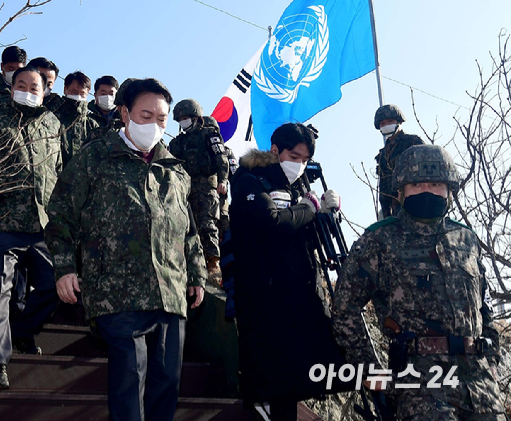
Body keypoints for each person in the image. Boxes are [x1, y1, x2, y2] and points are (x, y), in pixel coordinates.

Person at [45, 78, 207, 421]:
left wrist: (197, 275)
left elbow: (189, 230)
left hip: (170, 293)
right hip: (116, 292)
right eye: (145, 115)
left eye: (161, 119)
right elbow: (60, 215)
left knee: (166, 386)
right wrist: (64, 268)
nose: (154, 125)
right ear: (124, 113)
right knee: (129, 385)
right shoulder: (94, 158)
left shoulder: (175, 170)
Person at [332, 144, 505, 420]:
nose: (426, 191)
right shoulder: (380, 239)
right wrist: (370, 370)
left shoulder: (466, 239)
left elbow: (482, 305)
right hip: (421, 387)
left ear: (449, 189)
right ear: (401, 191)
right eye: (416, 184)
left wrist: (492, 356)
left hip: (481, 387)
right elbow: (344, 308)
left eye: (435, 183)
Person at [229, 123, 346, 420]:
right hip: (264, 297)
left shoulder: (300, 187)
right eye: (293, 156)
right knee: (271, 380)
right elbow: (271, 222)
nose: (299, 165)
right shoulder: (250, 180)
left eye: (305, 159)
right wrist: (309, 208)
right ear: (275, 150)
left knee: (295, 383)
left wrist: (327, 216)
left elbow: (311, 238)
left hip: (301, 294)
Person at [0, 66, 63, 390]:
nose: (26, 89)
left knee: (56, 285)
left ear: (45, 91)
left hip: (42, 226)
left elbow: (59, 172)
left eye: (33, 86)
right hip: (1, 221)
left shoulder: (52, 123)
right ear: (10, 87)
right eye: (20, 84)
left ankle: (22, 330)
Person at [169, 99, 229, 285]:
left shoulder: (209, 135)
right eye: (180, 119)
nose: (183, 121)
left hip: (206, 187)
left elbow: (221, 158)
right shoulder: (178, 142)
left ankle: (213, 264)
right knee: (187, 227)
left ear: (196, 117)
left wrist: (223, 180)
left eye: (186, 118)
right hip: (184, 189)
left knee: (207, 224)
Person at [374, 104, 424, 219]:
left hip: (415, 204)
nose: (386, 125)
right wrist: (386, 216)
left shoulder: (413, 142)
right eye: (383, 123)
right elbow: (383, 189)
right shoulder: (382, 155)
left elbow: (426, 173)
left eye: (390, 121)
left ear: (399, 122)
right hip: (395, 211)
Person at [53, 70, 99, 166]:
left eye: (82, 93)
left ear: (88, 93)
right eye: (74, 92)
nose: (78, 96)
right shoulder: (54, 119)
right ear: (65, 89)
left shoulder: (92, 125)